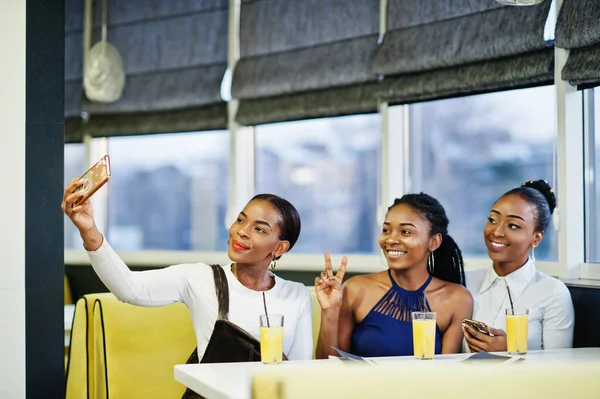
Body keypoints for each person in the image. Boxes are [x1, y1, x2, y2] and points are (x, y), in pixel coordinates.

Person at [62, 179, 313, 361]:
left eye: (259, 229)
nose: (241, 231)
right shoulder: (200, 278)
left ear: (279, 248)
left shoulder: (297, 295)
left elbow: (301, 372)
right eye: (240, 219)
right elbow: (130, 288)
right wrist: (88, 230)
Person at [315, 193, 473, 358]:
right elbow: (327, 367)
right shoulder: (355, 289)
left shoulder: (457, 299)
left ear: (434, 242)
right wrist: (330, 312)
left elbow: (448, 375)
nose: (391, 239)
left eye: (405, 232)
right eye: (386, 230)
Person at [462, 180, 574, 352]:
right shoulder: (464, 283)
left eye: (513, 226)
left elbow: (559, 368)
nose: (497, 232)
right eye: (492, 220)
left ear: (536, 238)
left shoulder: (553, 293)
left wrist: (511, 349)